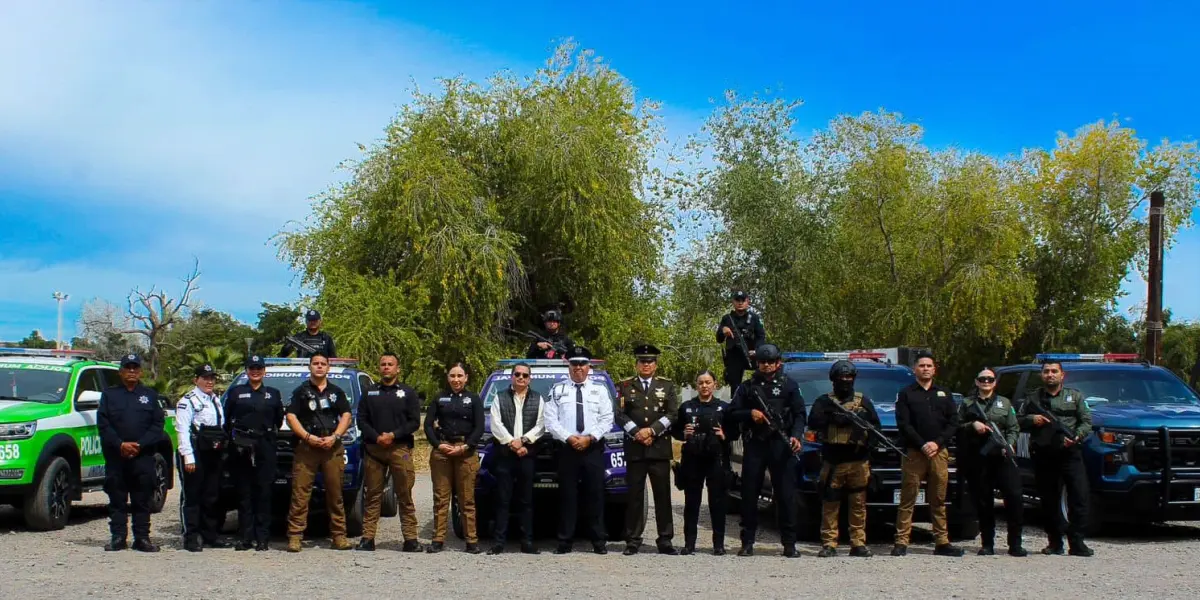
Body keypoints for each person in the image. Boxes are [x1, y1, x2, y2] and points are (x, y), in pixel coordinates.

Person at [729, 343, 804, 557]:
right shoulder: (747, 386)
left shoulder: (789, 385)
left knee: (786, 494)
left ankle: (789, 543)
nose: (767, 365)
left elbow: (800, 414)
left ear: (778, 362)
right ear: (757, 363)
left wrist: (796, 436)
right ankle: (747, 542)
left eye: (771, 362)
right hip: (756, 443)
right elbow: (731, 412)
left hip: (781, 444)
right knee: (750, 493)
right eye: (763, 362)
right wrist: (749, 413)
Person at [1018, 359, 1094, 557]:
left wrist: (1076, 437)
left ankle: (1077, 541)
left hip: (1070, 452)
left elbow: (1086, 421)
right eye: (1046, 371)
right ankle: (1055, 542)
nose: (1050, 375)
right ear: (1041, 375)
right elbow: (1017, 421)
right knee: (1048, 500)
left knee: (1080, 496)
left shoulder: (1075, 396)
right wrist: (1032, 420)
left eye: (1054, 371)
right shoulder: (1033, 398)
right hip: (1044, 454)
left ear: (1062, 375)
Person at [806, 359, 881, 558]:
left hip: (858, 460)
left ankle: (858, 543)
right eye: (842, 377)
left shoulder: (862, 401)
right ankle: (829, 543)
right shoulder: (824, 401)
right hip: (833, 461)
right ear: (834, 380)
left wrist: (863, 430)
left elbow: (875, 429)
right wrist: (834, 418)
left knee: (858, 504)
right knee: (830, 504)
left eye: (849, 377)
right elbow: (813, 421)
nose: (845, 381)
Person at [892, 351, 963, 557]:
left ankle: (942, 541)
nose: (925, 369)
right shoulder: (906, 394)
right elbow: (903, 424)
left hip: (939, 452)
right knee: (908, 498)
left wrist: (937, 443)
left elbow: (953, 422)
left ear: (934, 369)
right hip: (915, 453)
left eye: (929, 366)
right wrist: (922, 444)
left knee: (938, 499)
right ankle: (901, 542)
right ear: (915, 369)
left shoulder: (944, 393)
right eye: (921, 366)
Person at [544, 345, 614, 555]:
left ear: (588, 366)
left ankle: (598, 541)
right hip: (567, 449)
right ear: (569, 365)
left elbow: (607, 418)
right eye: (574, 364)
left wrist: (590, 437)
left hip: (592, 448)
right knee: (567, 496)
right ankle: (565, 541)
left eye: (582, 364)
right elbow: (550, 419)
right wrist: (569, 437)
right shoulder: (557, 390)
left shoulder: (600, 390)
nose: (578, 368)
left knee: (595, 496)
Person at [283, 352, 354, 552]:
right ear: (310, 367)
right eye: (316, 363)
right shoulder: (300, 392)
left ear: (328, 367)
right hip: (307, 447)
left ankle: (339, 536)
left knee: (335, 493)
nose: (319, 367)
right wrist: (307, 437)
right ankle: (295, 536)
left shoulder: (336, 392)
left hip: (332, 446)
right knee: (300, 494)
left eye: (323, 363)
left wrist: (336, 436)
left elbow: (346, 415)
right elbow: (291, 416)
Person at [615, 343, 679, 555]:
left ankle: (665, 539)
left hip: (658, 448)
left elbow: (672, 414)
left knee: (662, 496)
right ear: (636, 364)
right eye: (642, 361)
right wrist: (637, 432)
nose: (646, 365)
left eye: (649, 361)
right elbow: (619, 414)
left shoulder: (667, 386)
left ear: (655, 365)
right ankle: (633, 540)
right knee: (634, 496)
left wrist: (651, 431)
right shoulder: (624, 385)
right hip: (635, 448)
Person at [96, 353, 164, 552]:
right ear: (121, 372)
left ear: (140, 372)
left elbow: (157, 424)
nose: (132, 371)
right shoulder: (109, 395)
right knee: (117, 499)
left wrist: (140, 445)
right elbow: (103, 424)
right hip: (117, 457)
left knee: (141, 499)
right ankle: (118, 537)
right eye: (128, 368)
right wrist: (120, 444)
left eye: (135, 368)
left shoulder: (150, 395)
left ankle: (142, 538)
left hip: (142, 456)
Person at [357, 353, 424, 552]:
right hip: (374, 450)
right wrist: (377, 437)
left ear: (398, 369)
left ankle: (410, 539)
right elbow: (361, 420)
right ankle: (367, 538)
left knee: (404, 495)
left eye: (390, 364)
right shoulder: (369, 393)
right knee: (372, 496)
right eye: (383, 364)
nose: (386, 367)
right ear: (379, 368)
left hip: (399, 449)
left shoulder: (408, 392)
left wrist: (393, 435)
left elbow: (414, 421)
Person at [958, 367, 1026, 557]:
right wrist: (973, 425)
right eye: (982, 379)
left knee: (1014, 499)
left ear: (995, 382)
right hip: (979, 458)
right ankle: (987, 543)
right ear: (976, 382)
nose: (986, 382)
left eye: (990, 379)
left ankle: (1015, 544)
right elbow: (956, 425)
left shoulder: (1004, 403)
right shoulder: (967, 403)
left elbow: (1013, 427)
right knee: (983, 502)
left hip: (1002, 457)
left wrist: (1010, 443)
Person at [224, 354, 284, 552]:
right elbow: (227, 418)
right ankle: (245, 538)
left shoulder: (273, 394)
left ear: (264, 371)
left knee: (264, 493)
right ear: (246, 370)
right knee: (244, 494)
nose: (255, 371)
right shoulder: (236, 392)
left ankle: (263, 538)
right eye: (252, 368)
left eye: (259, 368)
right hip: (242, 446)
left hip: (265, 445)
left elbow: (278, 420)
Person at [424, 362, 485, 554]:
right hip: (443, 451)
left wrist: (467, 446)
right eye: (452, 376)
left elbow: (480, 427)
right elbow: (427, 425)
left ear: (466, 377)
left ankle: (471, 541)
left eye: (460, 376)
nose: (456, 380)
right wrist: (438, 444)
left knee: (466, 499)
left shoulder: (473, 399)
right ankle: (438, 539)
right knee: (441, 498)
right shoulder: (439, 398)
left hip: (465, 452)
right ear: (448, 378)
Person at [486, 362, 546, 555]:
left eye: (525, 375)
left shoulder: (538, 399)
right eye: (517, 374)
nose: (521, 378)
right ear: (512, 377)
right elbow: (496, 424)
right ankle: (498, 543)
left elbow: (541, 424)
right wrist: (512, 443)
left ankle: (527, 542)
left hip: (527, 456)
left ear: (530, 379)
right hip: (505, 456)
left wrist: (524, 441)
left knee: (526, 501)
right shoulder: (499, 397)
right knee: (503, 500)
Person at [671, 370, 729, 555]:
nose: (704, 386)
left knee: (717, 503)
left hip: (715, 458)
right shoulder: (687, 407)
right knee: (692, 503)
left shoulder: (723, 408)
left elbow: (735, 432)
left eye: (708, 382)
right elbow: (675, 430)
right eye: (701, 383)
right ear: (697, 385)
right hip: (692, 459)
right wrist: (684, 435)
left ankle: (718, 545)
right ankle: (689, 544)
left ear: (715, 385)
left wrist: (724, 435)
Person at [174, 363, 229, 552]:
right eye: (205, 378)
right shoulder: (187, 401)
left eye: (212, 378)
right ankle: (190, 537)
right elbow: (182, 430)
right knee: (192, 497)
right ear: (196, 380)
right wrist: (188, 457)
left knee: (211, 496)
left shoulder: (215, 399)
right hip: (194, 452)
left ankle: (210, 535)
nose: (209, 381)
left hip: (212, 453)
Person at [715, 290, 766, 391]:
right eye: (737, 300)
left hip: (750, 356)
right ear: (733, 302)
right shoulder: (727, 318)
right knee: (735, 388)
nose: (740, 303)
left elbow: (761, 336)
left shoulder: (753, 318)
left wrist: (757, 350)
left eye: (743, 300)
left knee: (758, 384)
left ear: (747, 301)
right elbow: (719, 339)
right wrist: (722, 331)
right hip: (734, 357)